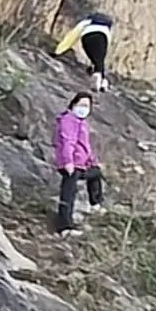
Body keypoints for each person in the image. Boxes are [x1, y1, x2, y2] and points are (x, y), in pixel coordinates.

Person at [53, 93, 104, 237]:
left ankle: (95, 203)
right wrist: (68, 161)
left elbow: (85, 146)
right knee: (68, 194)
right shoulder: (69, 120)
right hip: (71, 163)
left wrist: (92, 161)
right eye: (81, 105)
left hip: (80, 164)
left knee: (96, 173)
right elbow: (68, 141)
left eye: (87, 106)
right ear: (73, 105)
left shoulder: (82, 122)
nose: (84, 108)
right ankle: (64, 227)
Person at [55, 10, 113, 90]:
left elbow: (72, 36)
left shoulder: (87, 22)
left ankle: (98, 77)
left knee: (94, 58)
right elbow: (107, 44)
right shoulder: (106, 28)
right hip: (102, 37)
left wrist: (59, 51)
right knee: (99, 61)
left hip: (87, 36)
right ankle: (101, 80)